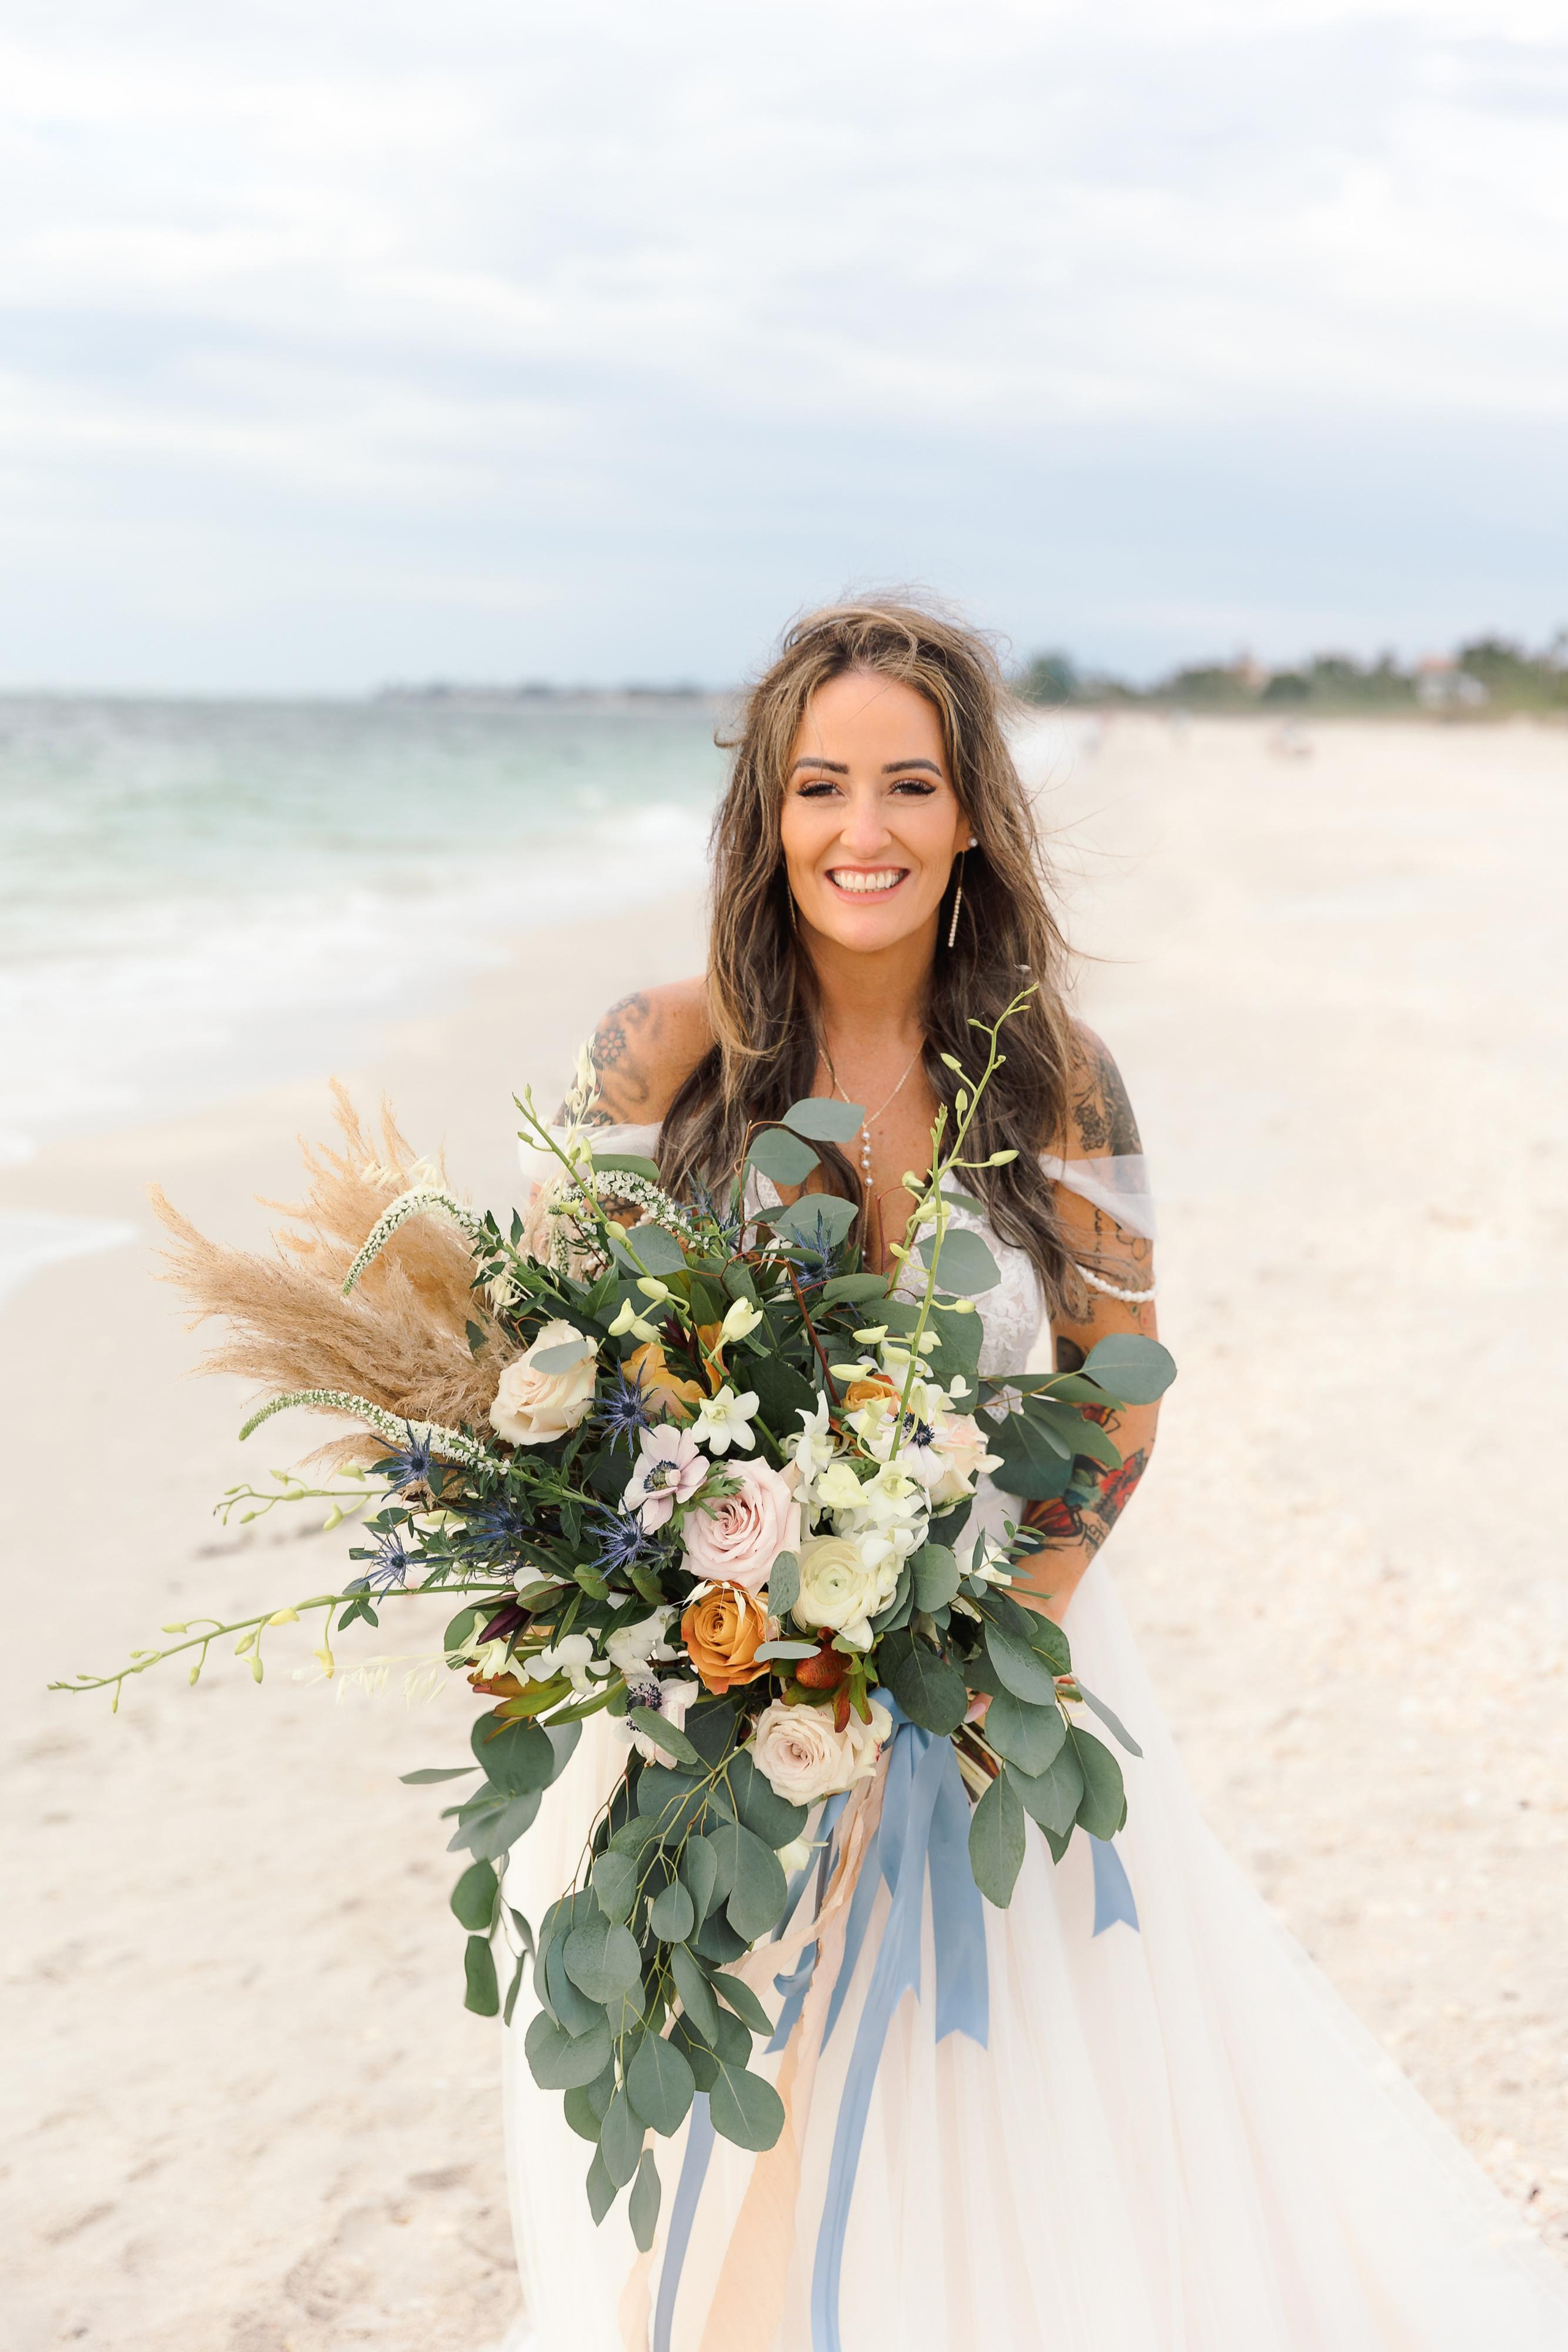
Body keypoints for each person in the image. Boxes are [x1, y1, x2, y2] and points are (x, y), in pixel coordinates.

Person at [501, 601, 1568, 2351]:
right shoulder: (660, 1050)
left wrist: (986, 1657)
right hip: (709, 1685)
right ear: (765, 813)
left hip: (994, 1670)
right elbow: (554, 1364)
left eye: (909, 785)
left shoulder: (1053, 1078)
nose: (864, 830)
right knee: (733, 2111)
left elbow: (1120, 1398)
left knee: (1000, 2110)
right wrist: (699, 1612)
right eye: (821, 786)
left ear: (973, 815)